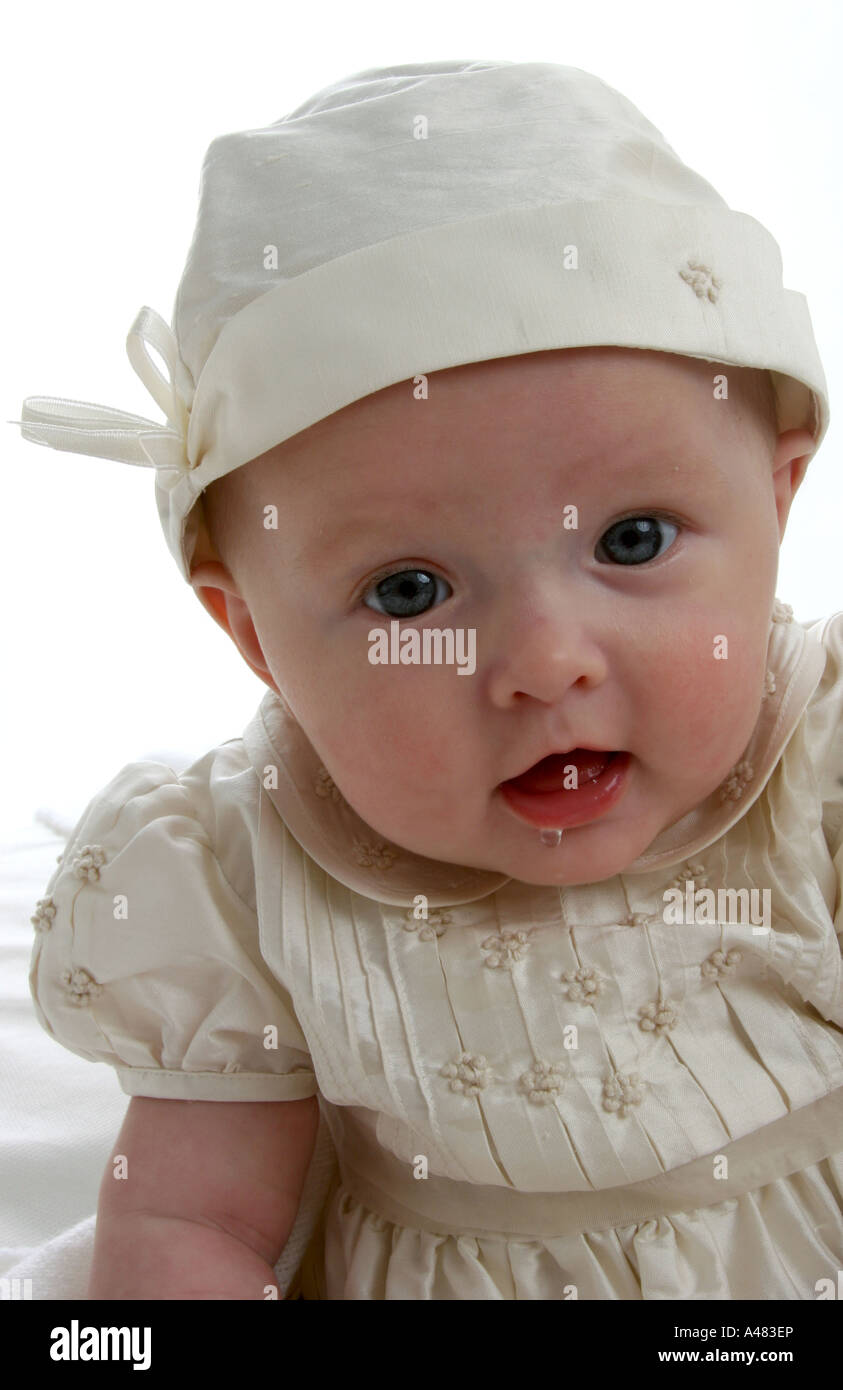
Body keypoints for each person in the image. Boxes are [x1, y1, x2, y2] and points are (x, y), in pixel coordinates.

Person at [16, 60, 843, 1300]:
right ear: (253, 637)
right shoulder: (245, 875)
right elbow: (196, 1219)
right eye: (409, 592)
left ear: (776, 503)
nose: (546, 661)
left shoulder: (815, 765)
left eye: (632, 540)